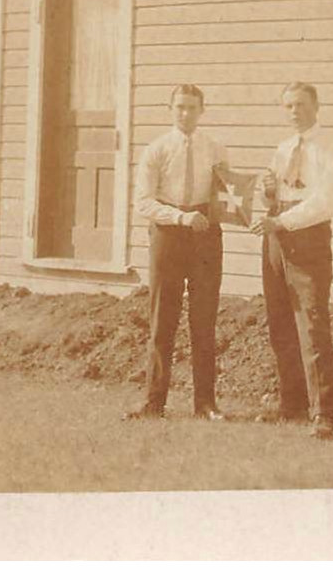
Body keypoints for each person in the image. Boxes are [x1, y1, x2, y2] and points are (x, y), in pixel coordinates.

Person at [250, 81, 333, 438]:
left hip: (308, 235)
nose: (295, 111)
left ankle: (323, 413)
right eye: (289, 106)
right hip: (276, 236)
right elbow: (273, 199)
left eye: (302, 104)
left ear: (317, 105)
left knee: (312, 322)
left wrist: (281, 220)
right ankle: (291, 406)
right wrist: (268, 194)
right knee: (280, 321)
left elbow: (326, 201)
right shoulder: (283, 148)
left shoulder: (332, 147)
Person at [127, 83, 228, 421]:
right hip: (168, 233)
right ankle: (154, 402)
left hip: (204, 236)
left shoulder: (215, 149)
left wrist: (229, 210)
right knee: (163, 319)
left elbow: (227, 196)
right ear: (170, 110)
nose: (186, 114)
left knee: (204, 320)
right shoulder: (156, 150)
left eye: (192, 108)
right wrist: (181, 217)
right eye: (180, 107)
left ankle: (205, 404)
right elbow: (143, 201)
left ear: (202, 110)